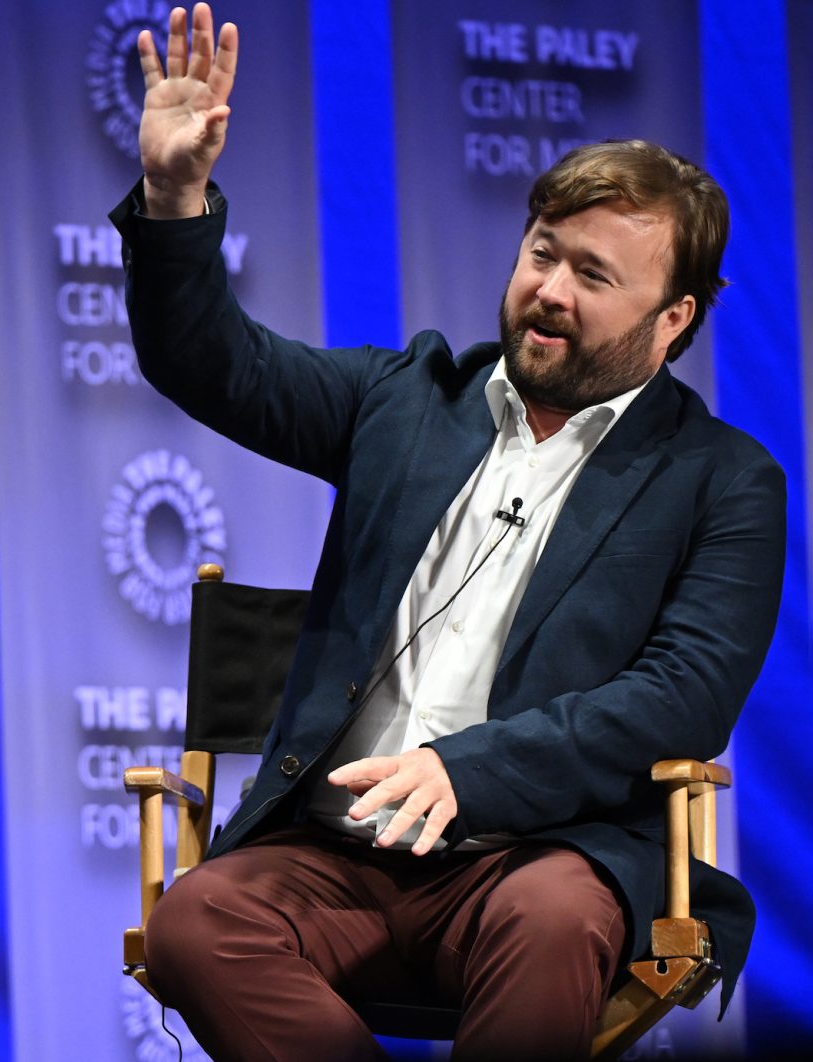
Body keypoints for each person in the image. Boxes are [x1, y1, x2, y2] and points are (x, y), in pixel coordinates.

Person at [114, 6, 783, 1059]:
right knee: (197, 921)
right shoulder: (406, 399)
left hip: (538, 858)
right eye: (542, 253)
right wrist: (172, 196)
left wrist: (470, 770)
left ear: (675, 320)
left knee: (554, 923)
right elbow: (213, 363)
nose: (548, 293)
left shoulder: (722, 481)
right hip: (336, 857)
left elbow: (683, 695)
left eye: (594, 276)